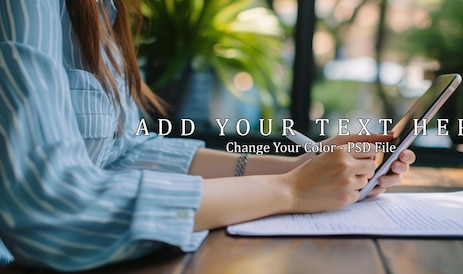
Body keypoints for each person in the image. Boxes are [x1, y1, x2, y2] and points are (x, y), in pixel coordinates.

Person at [0, 0, 416, 271]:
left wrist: (302, 166)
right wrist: (290, 190)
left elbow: (124, 151)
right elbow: (47, 208)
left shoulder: (101, 13)